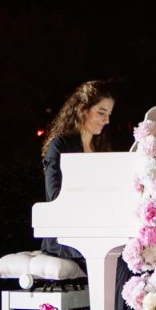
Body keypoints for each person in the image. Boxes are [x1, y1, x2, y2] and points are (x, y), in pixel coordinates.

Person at [35, 77, 116, 269]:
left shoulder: (101, 147)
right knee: (118, 259)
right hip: (65, 236)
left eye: (109, 114)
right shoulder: (59, 145)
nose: (107, 120)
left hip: (96, 229)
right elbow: (55, 195)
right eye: (101, 112)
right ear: (82, 109)